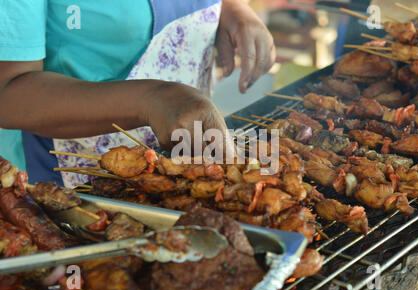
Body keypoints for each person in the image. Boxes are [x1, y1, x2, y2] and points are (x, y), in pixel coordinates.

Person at [0, 0, 276, 187]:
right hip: (70, 183)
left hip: (184, 170)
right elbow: (7, 91)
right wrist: (152, 100)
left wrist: (234, 9)